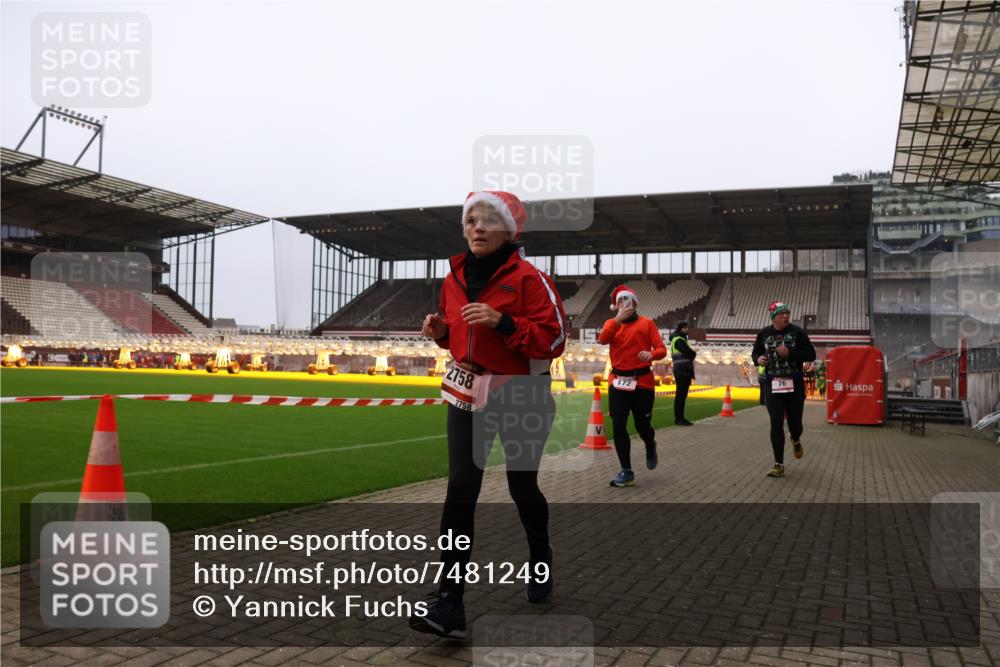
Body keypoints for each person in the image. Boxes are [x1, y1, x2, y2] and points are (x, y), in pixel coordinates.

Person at [412, 190, 567, 639]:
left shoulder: (531, 278)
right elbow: (463, 337)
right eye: (471, 220)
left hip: (522, 395)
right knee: (461, 488)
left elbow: (556, 340)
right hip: (469, 391)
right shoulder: (453, 278)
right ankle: (450, 601)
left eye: (488, 220)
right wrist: (442, 334)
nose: (477, 227)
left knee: (522, 486)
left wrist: (505, 322)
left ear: (509, 230)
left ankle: (540, 557)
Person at [598, 285, 667, 487]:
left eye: (627, 301)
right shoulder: (611, 324)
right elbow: (603, 339)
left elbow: (661, 349)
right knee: (618, 423)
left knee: (642, 425)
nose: (624, 305)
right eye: (620, 302)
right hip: (618, 381)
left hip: (642, 382)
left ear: (635, 304)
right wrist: (617, 320)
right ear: (616, 306)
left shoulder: (647, 323)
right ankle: (626, 470)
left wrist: (651, 354)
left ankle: (650, 443)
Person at [752, 301, 816, 478]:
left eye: (787, 313)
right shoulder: (764, 333)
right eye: (781, 314)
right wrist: (758, 359)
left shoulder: (797, 332)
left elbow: (811, 354)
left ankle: (795, 439)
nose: (786, 316)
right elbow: (755, 353)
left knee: (795, 424)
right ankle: (778, 464)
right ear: (773, 317)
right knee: (776, 422)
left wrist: (791, 353)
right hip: (773, 383)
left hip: (794, 383)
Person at [668, 320, 697, 426]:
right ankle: (679, 419)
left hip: (681, 370)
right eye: (685, 328)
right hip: (682, 370)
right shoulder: (679, 340)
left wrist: (692, 353)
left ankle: (680, 418)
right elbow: (690, 353)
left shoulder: (679, 339)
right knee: (681, 396)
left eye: (687, 328)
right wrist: (693, 353)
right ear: (680, 329)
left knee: (681, 395)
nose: (687, 330)